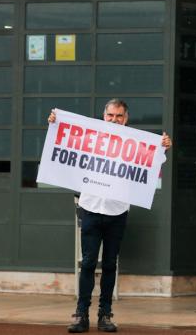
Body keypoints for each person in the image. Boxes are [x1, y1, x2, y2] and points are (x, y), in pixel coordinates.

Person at [47, 99, 172, 333]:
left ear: (126, 119)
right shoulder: (89, 138)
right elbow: (64, 140)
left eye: (119, 116)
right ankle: (81, 314)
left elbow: (154, 161)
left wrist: (163, 145)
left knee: (110, 265)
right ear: (103, 116)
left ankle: (105, 314)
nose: (114, 119)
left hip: (117, 211)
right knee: (88, 263)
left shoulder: (135, 144)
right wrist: (55, 124)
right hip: (90, 207)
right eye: (111, 115)